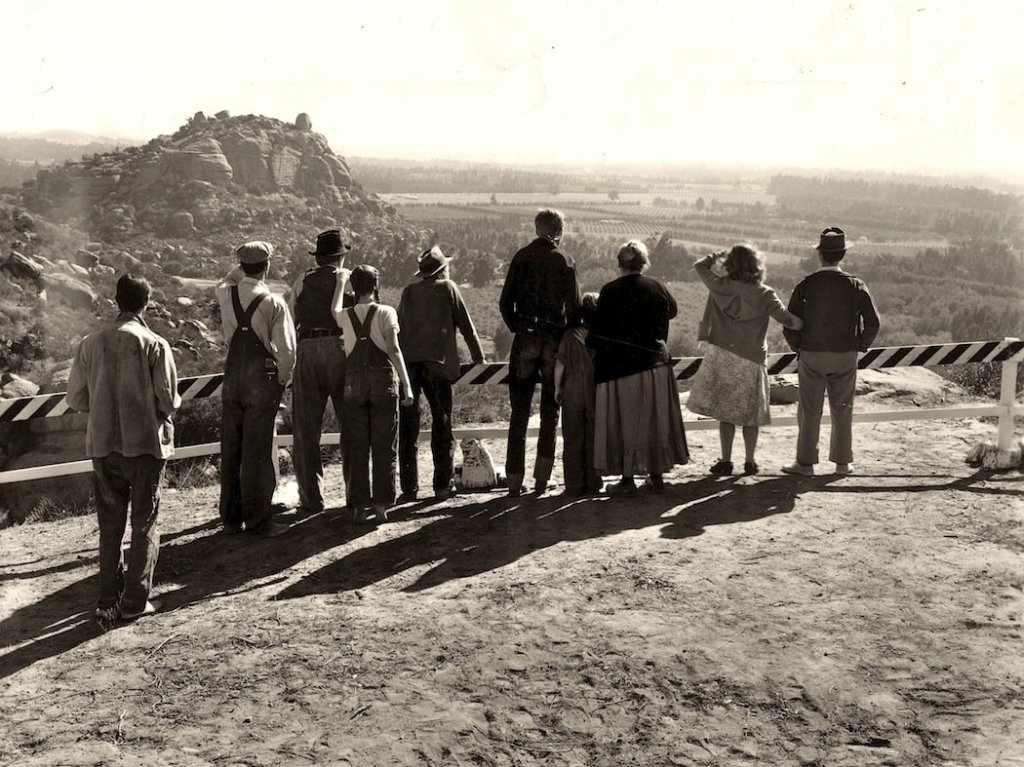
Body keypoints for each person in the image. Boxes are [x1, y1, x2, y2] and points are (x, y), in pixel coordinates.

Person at [67, 273, 180, 623]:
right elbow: (168, 400)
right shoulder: (154, 343)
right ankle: (134, 602)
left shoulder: (89, 343)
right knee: (144, 522)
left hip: (103, 446)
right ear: (146, 303)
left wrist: (103, 404)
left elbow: (76, 398)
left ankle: (107, 600)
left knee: (110, 525)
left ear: (117, 300)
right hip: (144, 445)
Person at [687, 245, 804, 475]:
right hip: (752, 358)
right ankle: (750, 461)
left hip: (722, 354)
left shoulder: (719, 286)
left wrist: (717, 255)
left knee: (725, 414)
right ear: (756, 265)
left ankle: (726, 461)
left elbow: (699, 266)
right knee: (751, 415)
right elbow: (790, 321)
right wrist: (808, 323)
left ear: (730, 264)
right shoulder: (765, 294)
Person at [588, 241, 688, 496]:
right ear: (643, 263)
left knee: (625, 423)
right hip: (655, 365)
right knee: (654, 422)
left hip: (620, 368)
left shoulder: (609, 291)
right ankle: (656, 476)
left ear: (620, 264)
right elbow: (672, 311)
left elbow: (597, 331)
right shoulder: (657, 287)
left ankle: (627, 480)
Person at [782, 227, 881, 477]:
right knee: (843, 408)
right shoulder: (856, 285)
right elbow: (873, 323)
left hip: (812, 354)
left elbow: (789, 322)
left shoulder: (806, 285)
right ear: (843, 255)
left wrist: (798, 347)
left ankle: (805, 464)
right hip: (845, 355)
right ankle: (842, 463)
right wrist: (859, 345)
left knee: (809, 410)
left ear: (819, 254)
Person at [216, 241, 296, 537]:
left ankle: (230, 520)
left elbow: (228, 277)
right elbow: (287, 352)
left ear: (241, 266)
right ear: (267, 266)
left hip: (233, 374)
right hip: (260, 379)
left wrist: (239, 269)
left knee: (231, 449)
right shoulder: (274, 303)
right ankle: (259, 521)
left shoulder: (225, 293)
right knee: (258, 451)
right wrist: (280, 382)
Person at [499, 209, 581, 496]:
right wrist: (564, 334)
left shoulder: (521, 257)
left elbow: (505, 303)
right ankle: (541, 480)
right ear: (559, 231)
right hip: (553, 340)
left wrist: (519, 327)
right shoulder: (565, 260)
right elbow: (575, 308)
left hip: (525, 339)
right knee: (549, 412)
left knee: (519, 413)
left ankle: (513, 481)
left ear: (536, 229)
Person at [397, 245, 485, 501]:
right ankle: (442, 485)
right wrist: (479, 357)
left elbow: (399, 328)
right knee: (442, 424)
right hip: (437, 366)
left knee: (408, 428)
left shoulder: (408, 292)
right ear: (442, 270)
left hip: (409, 366)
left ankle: (409, 488)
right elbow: (467, 326)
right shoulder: (448, 288)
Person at [338, 265, 414, 522]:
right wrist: (406, 384)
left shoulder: (344, 315)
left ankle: (359, 505)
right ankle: (381, 505)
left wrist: (341, 285)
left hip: (354, 383)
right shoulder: (386, 312)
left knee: (357, 446)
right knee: (384, 445)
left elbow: (334, 309)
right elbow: (394, 349)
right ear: (376, 285)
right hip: (383, 382)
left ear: (354, 287)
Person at [288, 228, 354, 514]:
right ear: (340, 257)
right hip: (340, 349)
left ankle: (312, 499)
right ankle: (354, 494)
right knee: (350, 424)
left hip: (306, 348)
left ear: (318, 258)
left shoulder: (302, 280)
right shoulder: (349, 280)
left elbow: (290, 318)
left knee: (306, 429)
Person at [554, 291, 602, 496]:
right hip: (594, 391)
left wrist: (557, 388)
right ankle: (593, 482)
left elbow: (560, 364)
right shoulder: (600, 335)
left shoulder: (569, 335)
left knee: (572, 438)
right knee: (593, 438)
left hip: (572, 391)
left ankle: (574, 485)